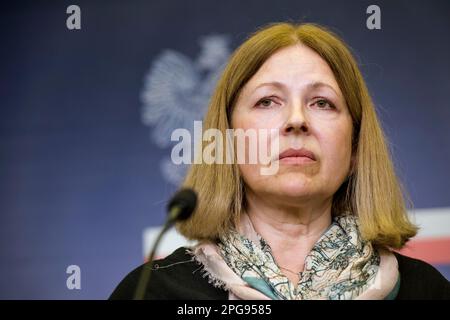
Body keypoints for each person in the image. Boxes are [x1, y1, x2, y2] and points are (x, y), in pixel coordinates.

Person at [110, 22, 450, 300]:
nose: (297, 119)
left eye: (322, 103)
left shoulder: (427, 292)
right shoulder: (152, 293)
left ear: (356, 148)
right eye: (268, 101)